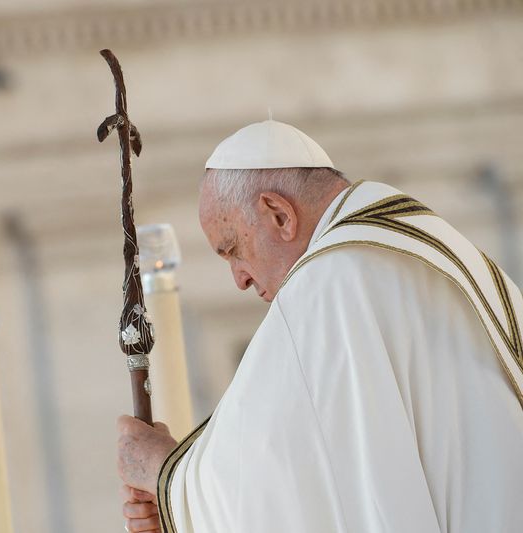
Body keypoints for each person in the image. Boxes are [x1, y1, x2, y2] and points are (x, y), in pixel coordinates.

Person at [116, 119, 523, 532]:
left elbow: (279, 477)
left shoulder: (329, 282)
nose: (240, 279)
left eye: (234, 250)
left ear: (279, 215)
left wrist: (167, 478)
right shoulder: (427, 242)